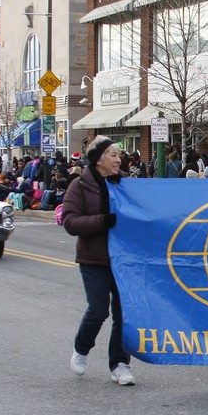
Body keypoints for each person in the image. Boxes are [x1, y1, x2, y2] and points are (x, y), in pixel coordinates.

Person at [63, 135, 136, 385]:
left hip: (123, 260)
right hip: (93, 258)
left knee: (123, 313)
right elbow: (70, 222)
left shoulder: (125, 183)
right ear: (98, 160)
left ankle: (120, 364)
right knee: (98, 309)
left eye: (119, 155)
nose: (119, 159)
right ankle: (82, 349)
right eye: (113, 155)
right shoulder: (79, 186)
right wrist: (101, 221)